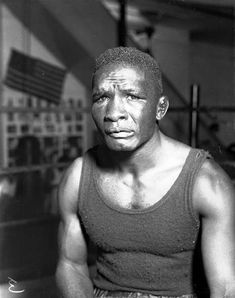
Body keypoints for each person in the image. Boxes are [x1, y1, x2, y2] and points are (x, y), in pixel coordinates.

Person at [56, 47, 235, 298]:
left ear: (160, 108)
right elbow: (70, 265)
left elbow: (226, 289)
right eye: (102, 98)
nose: (114, 113)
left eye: (132, 96)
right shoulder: (78, 176)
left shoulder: (206, 182)